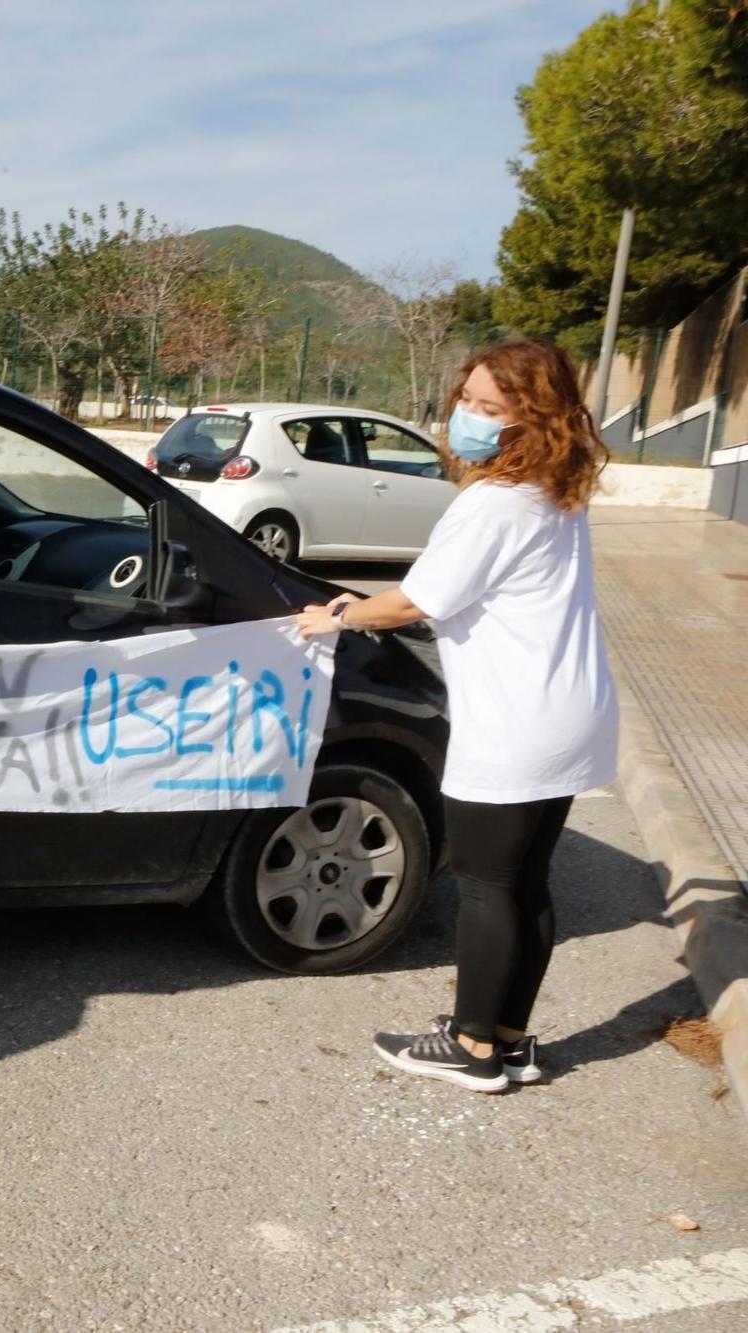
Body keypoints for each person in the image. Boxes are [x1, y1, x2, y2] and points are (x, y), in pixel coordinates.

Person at [295, 339, 616, 1094]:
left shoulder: (492, 503)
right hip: (572, 712)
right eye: (466, 400)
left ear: (530, 419)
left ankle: (471, 1045)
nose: (467, 417)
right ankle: (508, 1037)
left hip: (516, 723)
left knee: (484, 884)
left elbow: (414, 601)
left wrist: (334, 618)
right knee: (526, 880)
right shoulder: (555, 492)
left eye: (488, 408)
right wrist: (359, 606)